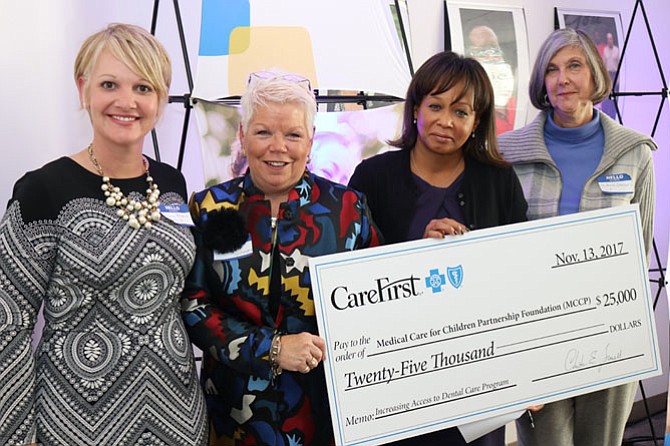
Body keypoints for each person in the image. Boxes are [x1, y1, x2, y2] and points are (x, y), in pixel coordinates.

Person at [0, 23, 208, 446]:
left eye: (143, 87)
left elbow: (184, 296)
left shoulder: (172, 183)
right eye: (110, 84)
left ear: (160, 98)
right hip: (76, 425)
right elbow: (9, 323)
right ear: (83, 90)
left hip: (179, 418)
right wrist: (19, 436)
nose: (126, 101)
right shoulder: (42, 191)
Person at [182, 70, 381, 445]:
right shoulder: (209, 207)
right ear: (242, 135)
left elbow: (381, 298)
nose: (278, 147)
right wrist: (271, 350)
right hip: (233, 418)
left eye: (292, 134)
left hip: (328, 417)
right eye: (263, 132)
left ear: (310, 140)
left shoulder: (348, 209)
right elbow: (193, 303)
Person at [348, 51, 527, 445]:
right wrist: (417, 254)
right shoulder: (371, 177)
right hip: (395, 374)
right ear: (415, 108)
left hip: (480, 376)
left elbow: (520, 276)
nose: (446, 121)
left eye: (461, 112)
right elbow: (350, 278)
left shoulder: (499, 181)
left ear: (477, 121)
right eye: (435, 106)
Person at [498, 28, 656, 446]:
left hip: (609, 332)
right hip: (534, 334)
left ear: (596, 75)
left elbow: (638, 251)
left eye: (574, 65)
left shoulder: (634, 151)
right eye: (551, 69)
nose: (562, 78)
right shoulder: (506, 153)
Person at [467, 25, 517, 134]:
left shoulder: (517, 105)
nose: (491, 56)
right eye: (482, 51)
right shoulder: (469, 110)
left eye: (494, 48)